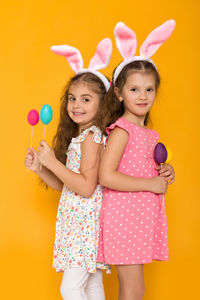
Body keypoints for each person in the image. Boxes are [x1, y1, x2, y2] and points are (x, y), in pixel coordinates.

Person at [24, 38, 112, 300]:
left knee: (70, 288)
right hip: (78, 226)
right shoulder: (82, 137)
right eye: (72, 98)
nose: (76, 105)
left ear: (103, 104)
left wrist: (52, 162)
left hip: (85, 228)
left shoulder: (92, 137)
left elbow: (86, 188)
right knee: (92, 287)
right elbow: (69, 186)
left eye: (86, 99)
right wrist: (42, 169)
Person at [97, 20, 176, 300]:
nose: (143, 96)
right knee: (132, 287)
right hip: (124, 216)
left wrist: (165, 172)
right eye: (134, 90)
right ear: (118, 93)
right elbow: (106, 176)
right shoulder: (122, 129)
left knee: (136, 287)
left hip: (138, 216)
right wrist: (151, 184)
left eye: (149, 89)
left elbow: (143, 168)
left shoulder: (145, 132)